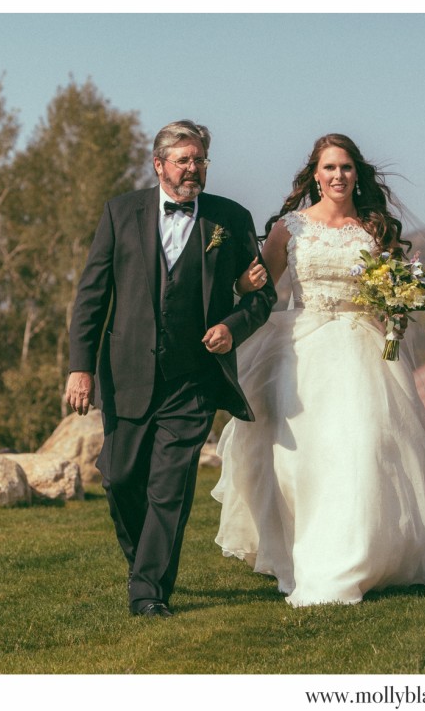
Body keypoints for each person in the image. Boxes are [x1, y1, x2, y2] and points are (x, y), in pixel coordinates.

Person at [213, 133, 425, 607]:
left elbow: (392, 282)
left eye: (346, 167)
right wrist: (245, 281)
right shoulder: (291, 227)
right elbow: (261, 288)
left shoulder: (374, 229)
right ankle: (304, 558)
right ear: (315, 175)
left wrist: (397, 304)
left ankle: (365, 555)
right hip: (301, 350)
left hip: (362, 347)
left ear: (356, 174)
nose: (338, 176)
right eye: (329, 168)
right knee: (304, 457)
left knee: (366, 447)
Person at [66, 120, 276, 618]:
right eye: (182, 159)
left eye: (200, 159)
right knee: (118, 478)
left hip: (195, 378)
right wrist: (80, 367)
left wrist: (232, 326)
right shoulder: (120, 212)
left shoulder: (230, 217)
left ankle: (149, 592)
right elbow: (92, 296)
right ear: (158, 164)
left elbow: (262, 294)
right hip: (127, 373)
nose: (193, 168)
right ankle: (145, 563)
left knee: (170, 487)